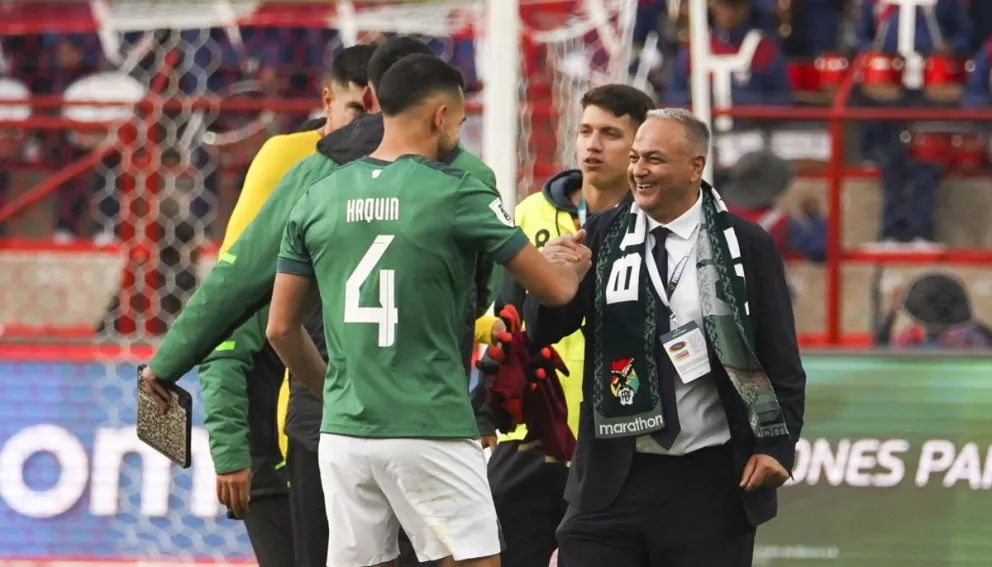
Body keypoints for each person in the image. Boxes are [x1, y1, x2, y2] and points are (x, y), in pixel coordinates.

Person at [265, 53, 590, 567]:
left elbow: (280, 327)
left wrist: (332, 390)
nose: (459, 135)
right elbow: (553, 291)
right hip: (429, 425)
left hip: (346, 434)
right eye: (460, 123)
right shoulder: (457, 192)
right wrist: (569, 263)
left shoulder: (317, 196)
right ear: (440, 117)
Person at [524, 108, 806, 566]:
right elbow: (542, 333)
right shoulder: (600, 233)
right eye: (635, 157)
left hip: (710, 483)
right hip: (610, 478)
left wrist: (778, 445)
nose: (638, 170)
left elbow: (780, 357)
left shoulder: (746, 245)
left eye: (653, 159)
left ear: (696, 166)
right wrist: (551, 281)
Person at [195, 43, 376, 567]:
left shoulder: (406, 177)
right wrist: (231, 448)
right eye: (357, 112)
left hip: (341, 420)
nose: (368, 129)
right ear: (327, 102)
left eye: (380, 114)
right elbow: (230, 303)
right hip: (283, 420)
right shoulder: (289, 161)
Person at [483, 83, 654, 567]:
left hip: (614, 439)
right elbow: (506, 322)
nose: (593, 145)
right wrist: (489, 410)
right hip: (533, 435)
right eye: (585, 131)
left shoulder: (654, 225)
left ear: (640, 147)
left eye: (610, 134)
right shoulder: (530, 214)